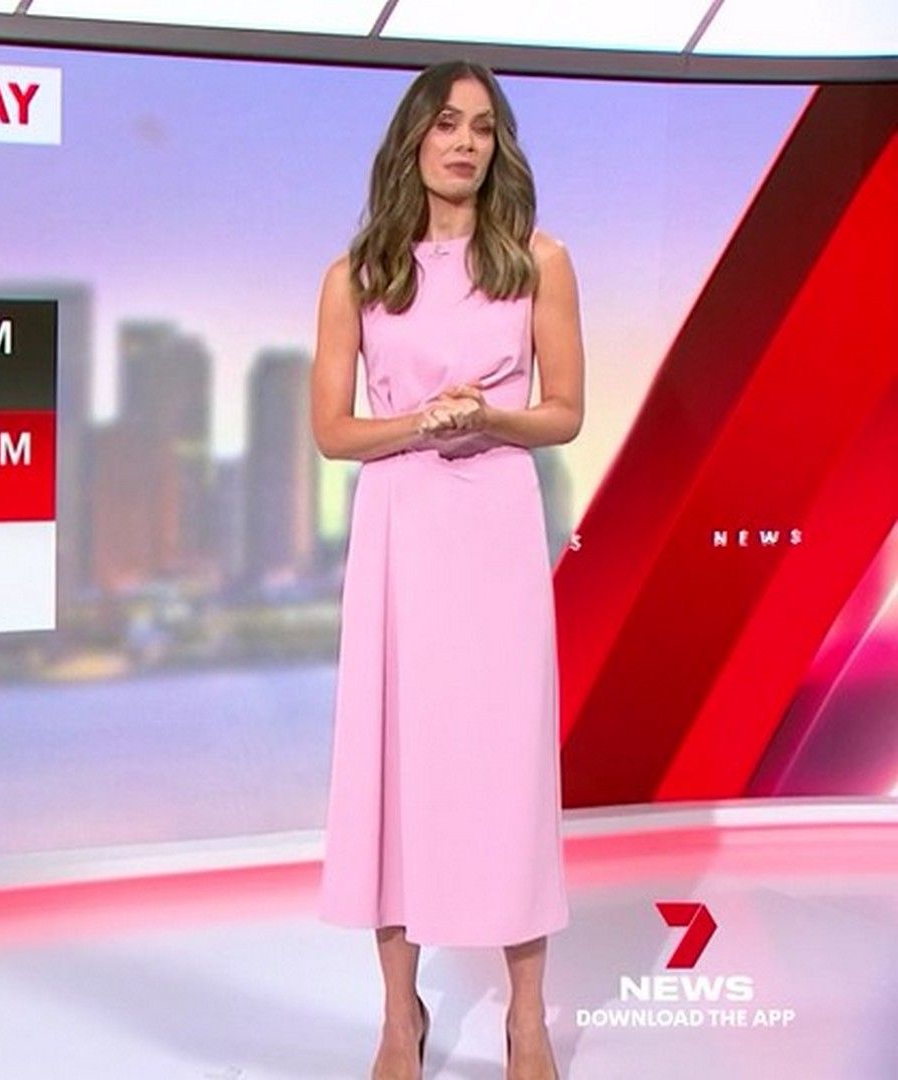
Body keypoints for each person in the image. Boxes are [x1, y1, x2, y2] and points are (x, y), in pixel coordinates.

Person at [309, 59, 585, 1080]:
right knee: (397, 764)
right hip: (401, 527)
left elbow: (565, 412)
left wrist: (491, 418)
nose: (464, 142)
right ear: (413, 139)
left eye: (481, 126)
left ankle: (526, 1019)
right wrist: (421, 423)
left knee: (509, 765)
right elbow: (334, 432)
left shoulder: (539, 261)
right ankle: (399, 1017)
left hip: (497, 525)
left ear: (498, 144)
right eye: (446, 124)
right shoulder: (358, 275)